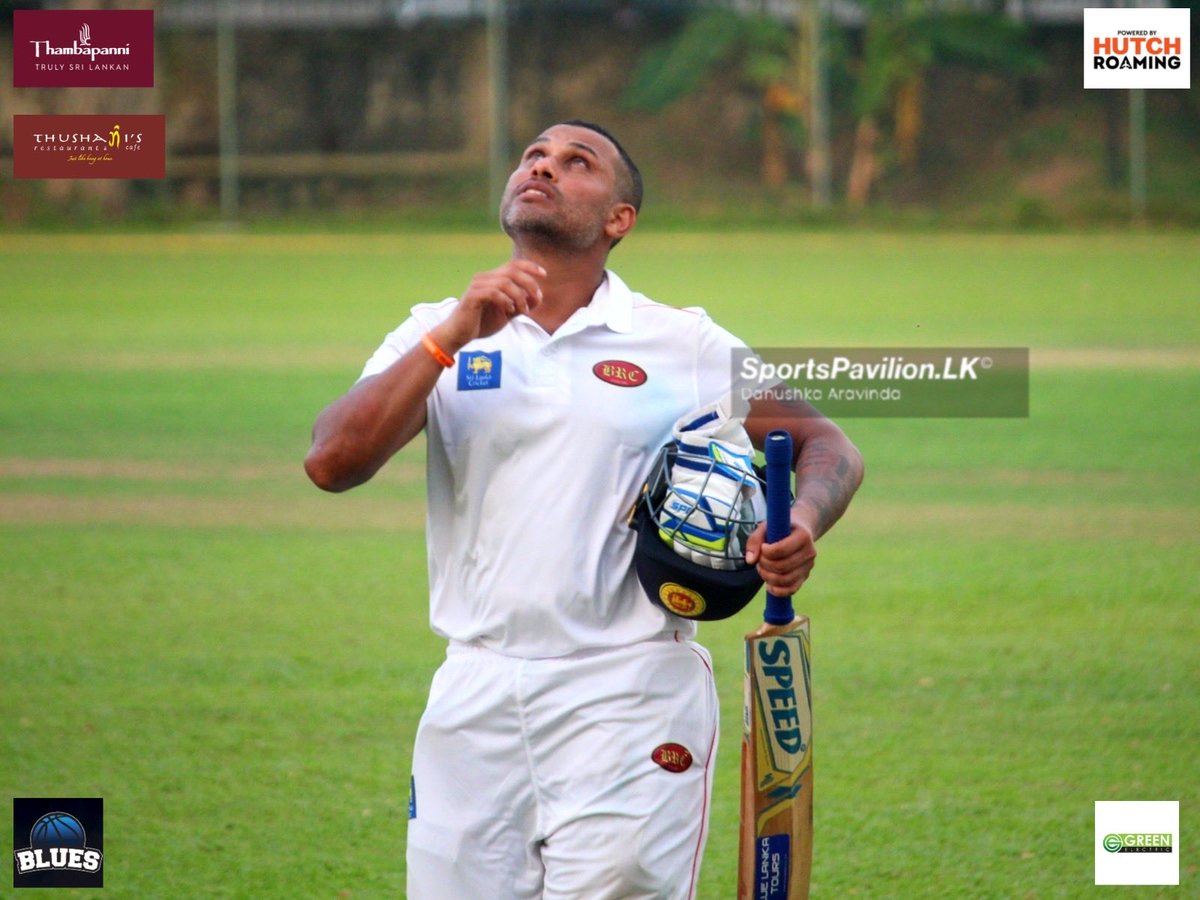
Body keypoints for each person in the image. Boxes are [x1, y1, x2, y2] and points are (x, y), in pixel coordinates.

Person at [304, 120, 863, 899]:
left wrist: (801, 522)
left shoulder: (681, 342)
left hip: (630, 689)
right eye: (534, 155)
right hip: (474, 689)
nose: (544, 166)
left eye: (577, 162)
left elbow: (827, 445)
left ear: (618, 220)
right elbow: (332, 462)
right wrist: (454, 334)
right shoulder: (436, 330)